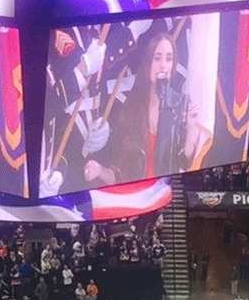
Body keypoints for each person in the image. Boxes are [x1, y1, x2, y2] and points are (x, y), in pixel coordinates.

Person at [81, 33, 200, 186]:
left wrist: (191, 130)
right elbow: (120, 175)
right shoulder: (129, 108)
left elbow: (185, 163)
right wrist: (100, 171)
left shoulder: (181, 105)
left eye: (169, 59)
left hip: (167, 195)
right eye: (157, 58)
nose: (163, 65)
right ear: (147, 64)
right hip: (138, 197)